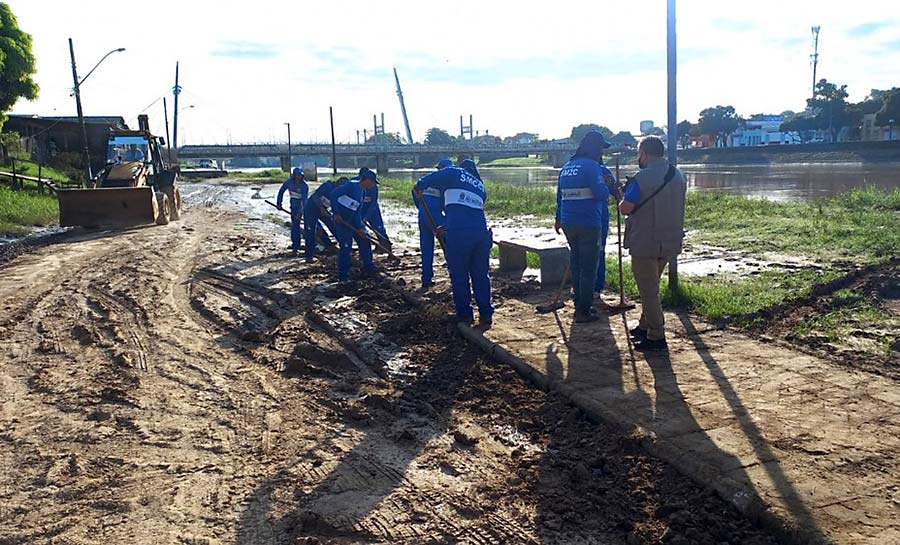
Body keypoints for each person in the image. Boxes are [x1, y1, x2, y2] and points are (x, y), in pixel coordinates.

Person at [619, 136, 686, 351]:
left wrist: (619, 196)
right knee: (652, 286)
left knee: (649, 291)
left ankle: (656, 335)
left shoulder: (642, 178)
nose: (639, 158)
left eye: (639, 154)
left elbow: (626, 208)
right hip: (669, 240)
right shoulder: (678, 175)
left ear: (645, 154)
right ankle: (644, 325)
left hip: (645, 241)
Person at [415, 159, 492, 328]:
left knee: (459, 275)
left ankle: (465, 315)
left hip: (460, 235)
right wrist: (447, 225)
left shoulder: (454, 172)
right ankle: (486, 314)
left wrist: (419, 187)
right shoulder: (480, 186)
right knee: (480, 275)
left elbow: (430, 178)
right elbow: (466, 210)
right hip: (481, 233)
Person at [555, 130, 613, 323]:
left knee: (577, 264)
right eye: (600, 149)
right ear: (595, 148)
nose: (601, 154)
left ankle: (579, 301)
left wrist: (558, 218)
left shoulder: (567, 167)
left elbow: (560, 197)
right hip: (589, 222)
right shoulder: (592, 166)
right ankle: (583, 311)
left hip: (568, 222)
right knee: (588, 268)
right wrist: (606, 185)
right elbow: (601, 194)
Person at [330, 170, 377, 282]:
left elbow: (357, 212)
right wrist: (336, 213)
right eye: (372, 182)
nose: (373, 185)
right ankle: (343, 276)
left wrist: (360, 227)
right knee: (346, 247)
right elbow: (333, 195)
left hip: (352, 221)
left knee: (365, 240)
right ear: (367, 180)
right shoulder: (351, 186)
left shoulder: (363, 192)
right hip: (341, 222)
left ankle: (368, 267)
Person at [412, 158, 451, 288]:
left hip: (423, 216)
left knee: (426, 248)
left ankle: (426, 279)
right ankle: (453, 273)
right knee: (449, 244)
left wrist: (420, 207)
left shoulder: (426, 179)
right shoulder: (444, 184)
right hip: (435, 218)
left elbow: (414, 190)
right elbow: (446, 206)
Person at [303, 176, 346, 262]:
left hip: (324, 210)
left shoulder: (341, 194)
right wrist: (321, 209)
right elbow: (315, 196)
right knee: (311, 231)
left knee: (334, 226)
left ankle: (343, 248)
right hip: (311, 209)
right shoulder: (327, 186)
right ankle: (309, 256)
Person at [276, 167, 309, 257]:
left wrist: (299, 212)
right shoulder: (289, 182)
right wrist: (279, 203)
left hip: (303, 207)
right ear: (294, 176)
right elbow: (281, 191)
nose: (298, 177)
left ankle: (309, 246)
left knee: (307, 226)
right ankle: (295, 246)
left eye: (300, 176)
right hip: (293, 207)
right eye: (297, 175)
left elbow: (304, 201)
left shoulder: (304, 186)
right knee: (295, 226)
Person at [360, 168, 392, 251]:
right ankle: (368, 245)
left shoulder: (374, 187)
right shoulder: (355, 185)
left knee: (378, 227)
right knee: (360, 228)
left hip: (372, 208)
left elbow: (373, 202)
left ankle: (385, 244)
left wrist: (366, 217)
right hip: (360, 209)